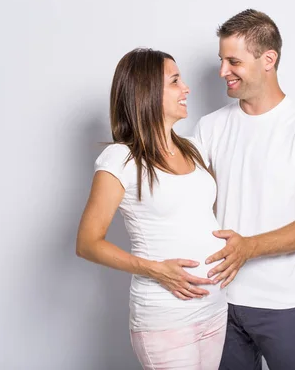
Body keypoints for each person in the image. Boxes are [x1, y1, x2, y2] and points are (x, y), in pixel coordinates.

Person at [194, 9, 295, 370]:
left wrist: (249, 248)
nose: (222, 71)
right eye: (221, 60)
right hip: (218, 301)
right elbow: (187, 202)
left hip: (284, 304)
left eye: (234, 61)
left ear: (268, 59)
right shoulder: (209, 127)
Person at [76, 48, 227, 369]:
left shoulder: (195, 149)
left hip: (214, 310)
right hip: (166, 317)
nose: (186, 89)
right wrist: (155, 269)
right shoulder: (121, 159)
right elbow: (88, 243)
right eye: (175, 82)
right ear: (147, 92)